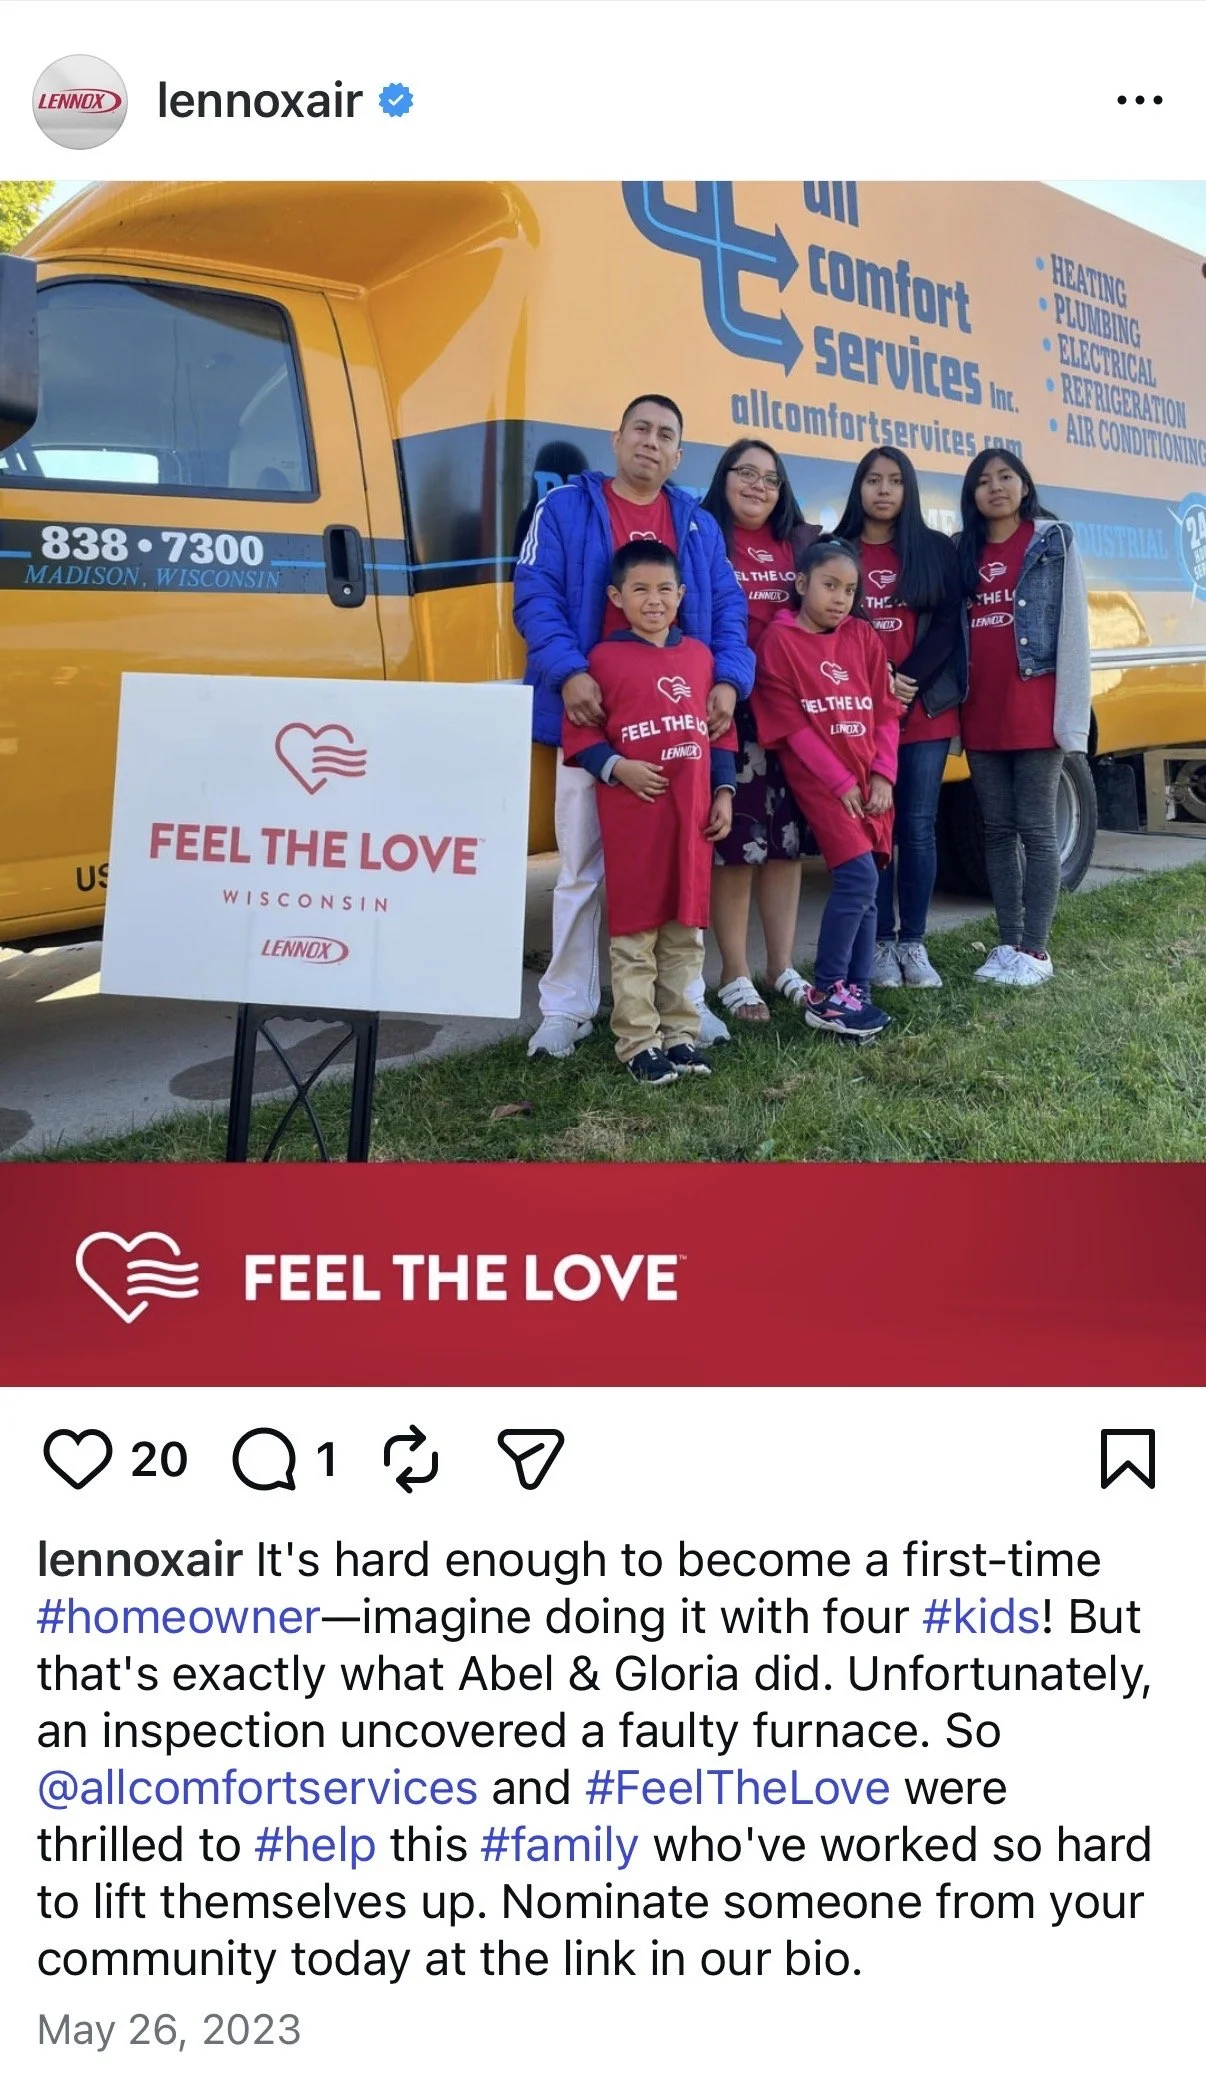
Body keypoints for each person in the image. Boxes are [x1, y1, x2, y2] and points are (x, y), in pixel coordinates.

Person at [513, 394, 753, 1058]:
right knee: (582, 869)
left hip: (679, 736)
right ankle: (567, 1009)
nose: (651, 441)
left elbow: (730, 611)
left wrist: (729, 681)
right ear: (615, 441)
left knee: (681, 872)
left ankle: (683, 1009)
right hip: (591, 718)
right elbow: (533, 593)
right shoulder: (563, 509)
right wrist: (569, 673)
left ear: (678, 455)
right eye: (640, 429)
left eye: (666, 434)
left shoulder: (699, 526)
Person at [562, 543, 737, 1083]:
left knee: (685, 933)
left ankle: (681, 1035)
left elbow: (721, 736)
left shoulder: (701, 658)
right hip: (635, 824)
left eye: (665, 589)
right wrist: (618, 767)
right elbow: (580, 735)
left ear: (682, 595)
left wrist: (724, 792)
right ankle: (638, 1041)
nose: (654, 600)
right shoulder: (601, 662)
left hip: (691, 823)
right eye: (640, 589)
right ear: (617, 597)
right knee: (635, 937)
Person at [752, 540, 900, 1040]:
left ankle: (856, 992)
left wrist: (883, 773)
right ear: (801, 584)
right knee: (857, 878)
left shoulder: (862, 635)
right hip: (826, 785)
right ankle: (827, 991)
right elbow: (791, 728)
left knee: (871, 884)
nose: (840, 598)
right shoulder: (780, 642)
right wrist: (840, 783)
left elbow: (885, 711)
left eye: (850, 589)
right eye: (829, 585)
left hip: (870, 781)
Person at [955, 449, 1091, 986]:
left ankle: (1035, 950)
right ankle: (1007, 942)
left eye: (1005, 477)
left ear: (1024, 484)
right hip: (981, 708)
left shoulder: (1052, 540)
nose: (995, 488)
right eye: (983, 481)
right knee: (995, 829)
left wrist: (1072, 712)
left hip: (1037, 707)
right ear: (972, 495)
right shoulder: (962, 550)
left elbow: (1074, 628)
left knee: (1036, 828)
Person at [697, 439, 821, 1022]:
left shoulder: (800, 544)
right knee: (736, 844)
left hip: (792, 712)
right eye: (745, 474)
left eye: (770, 479)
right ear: (723, 479)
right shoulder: (701, 536)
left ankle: (781, 964)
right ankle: (735, 972)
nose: (758, 487)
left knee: (787, 841)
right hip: (729, 707)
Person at [834, 446, 965, 990]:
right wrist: (876, 685)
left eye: (894, 481)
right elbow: (828, 626)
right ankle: (880, 942)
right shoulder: (836, 549)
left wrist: (904, 680)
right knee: (871, 827)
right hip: (858, 715)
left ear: (908, 491)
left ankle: (913, 941)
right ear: (858, 488)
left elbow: (946, 625)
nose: (883, 490)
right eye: (872, 480)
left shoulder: (933, 548)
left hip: (923, 708)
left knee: (915, 826)